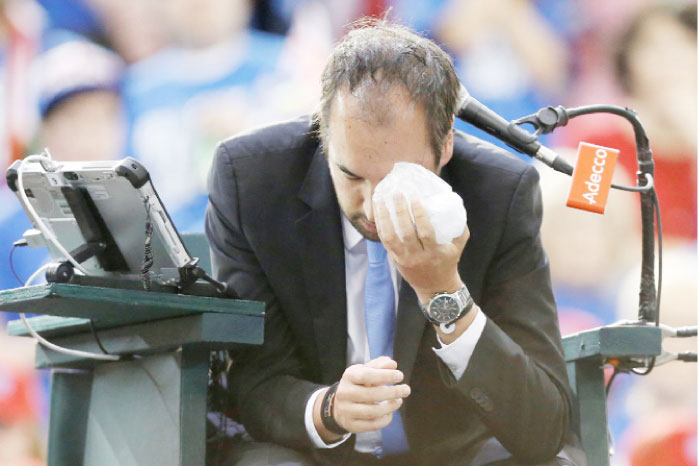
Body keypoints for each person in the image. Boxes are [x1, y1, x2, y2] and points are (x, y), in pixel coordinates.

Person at [206, 19, 585, 466]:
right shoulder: (250, 179)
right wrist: (329, 409)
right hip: (309, 452)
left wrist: (443, 293)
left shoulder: (500, 192)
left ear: (444, 147)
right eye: (350, 175)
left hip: (456, 453)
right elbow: (257, 380)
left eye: (394, 178)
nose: (369, 205)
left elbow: (543, 427)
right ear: (324, 136)